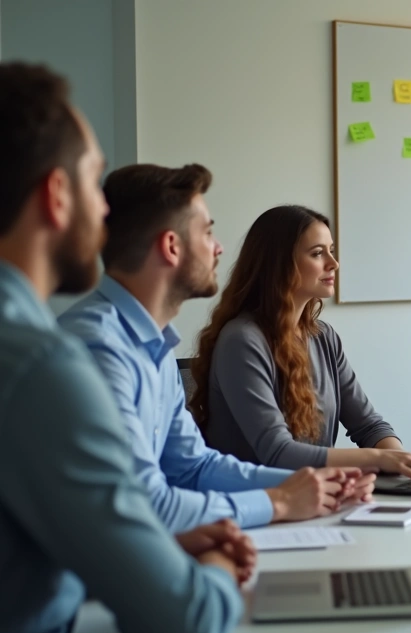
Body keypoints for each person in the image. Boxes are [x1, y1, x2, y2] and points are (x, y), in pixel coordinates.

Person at [0, 61, 247, 633]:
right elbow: (189, 620)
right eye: (93, 181)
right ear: (57, 196)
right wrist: (217, 561)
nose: (106, 211)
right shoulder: (43, 364)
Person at [59, 163, 374, 533]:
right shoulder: (99, 347)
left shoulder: (153, 343)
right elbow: (140, 506)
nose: (219, 247)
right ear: (171, 247)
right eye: (207, 232)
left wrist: (316, 487)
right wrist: (280, 501)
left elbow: (194, 467)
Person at [189, 205, 411, 486]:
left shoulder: (323, 337)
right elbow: (277, 452)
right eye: (318, 253)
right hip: (258, 505)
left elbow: (369, 425)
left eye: (331, 250)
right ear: (279, 263)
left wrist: (407, 468)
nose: (334, 263)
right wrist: (377, 459)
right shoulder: (242, 340)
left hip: (313, 499)